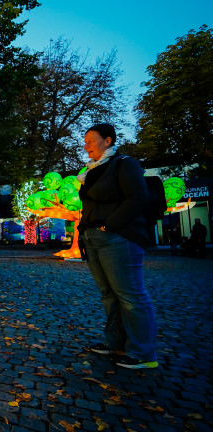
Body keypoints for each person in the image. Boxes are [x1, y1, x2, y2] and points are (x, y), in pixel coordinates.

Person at [77, 123, 158, 369]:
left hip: (119, 238)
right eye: (86, 141)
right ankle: (117, 344)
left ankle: (143, 353)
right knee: (109, 294)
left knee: (130, 295)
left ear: (108, 141)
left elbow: (138, 197)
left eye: (91, 140)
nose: (86, 145)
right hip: (94, 239)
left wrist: (109, 225)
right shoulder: (92, 170)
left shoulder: (124, 164)